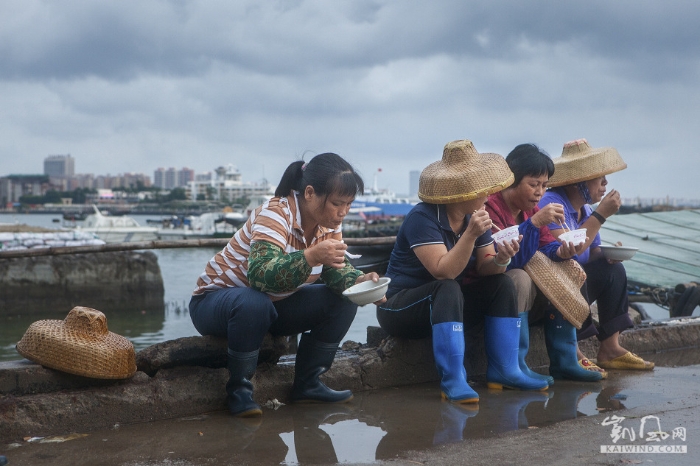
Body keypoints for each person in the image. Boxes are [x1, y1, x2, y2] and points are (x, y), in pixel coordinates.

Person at [189, 152, 386, 418]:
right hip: (214, 303)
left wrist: (360, 282)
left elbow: (335, 272)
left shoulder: (328, 224)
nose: (343, 213)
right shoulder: (276, 213)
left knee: (343, 298)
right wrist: (311, 256)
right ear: (309, 193)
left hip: (271, 304)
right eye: (338, 204)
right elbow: (259, 277)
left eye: (349, 204)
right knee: (253, 301)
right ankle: (239, 391)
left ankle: (308, 384)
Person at [377, 139, 549, 406]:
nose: (488, 194)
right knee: (447, 287)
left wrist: (502, 258)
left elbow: (486, 267)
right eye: (482, 188)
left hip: (446, 306)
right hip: (400, 307)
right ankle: (454, 379)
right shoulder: (423, 218)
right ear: (464, 190)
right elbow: (442, 271)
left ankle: (505, 370)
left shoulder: (475, 216)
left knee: (501, 283)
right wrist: (470, 235)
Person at [485, 143, 604, 383]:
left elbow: (547, 245)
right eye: (533, 184)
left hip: (518, 290)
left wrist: (563, 251)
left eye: (544, 185)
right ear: (511, 180)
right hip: (491, 289)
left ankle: (565, 360)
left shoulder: (530, 210)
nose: (539, 192)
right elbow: (508, 260)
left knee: (566, 267)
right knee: (520, 277)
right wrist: (534, 223)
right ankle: (513, 365)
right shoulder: (491, 208)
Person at [539, 138, 654, 371]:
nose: (605, 183)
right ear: (576, 182)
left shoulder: (585, 210)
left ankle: (611, 348)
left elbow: (590, 252)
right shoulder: (552, 202)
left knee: (613, 269)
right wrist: (601, 216)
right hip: (550, 288)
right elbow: (570, 250)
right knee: (573, 270)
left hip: (571, 282)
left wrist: (608, 254)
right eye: (598, 178)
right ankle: (573, 350)